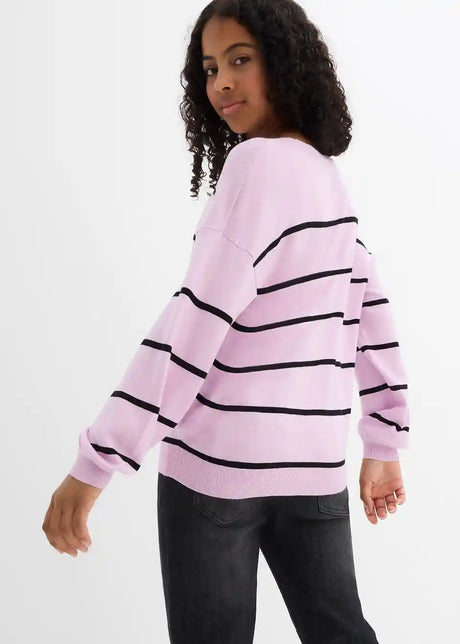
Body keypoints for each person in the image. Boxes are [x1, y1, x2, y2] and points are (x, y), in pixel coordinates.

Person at [42, 1, 410, 642]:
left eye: (240, 60)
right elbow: (370, 312)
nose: (222, 83)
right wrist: (384, 442)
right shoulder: (326, 177)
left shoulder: (255, 165)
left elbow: (194, 322)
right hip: (313, 466)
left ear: (285, 62)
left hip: (217, 472)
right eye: (210, 68)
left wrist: (98, 460)